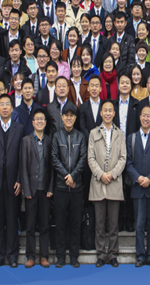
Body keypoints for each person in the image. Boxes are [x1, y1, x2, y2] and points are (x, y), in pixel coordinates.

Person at [0, 93, 24, 268]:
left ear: (12, 107)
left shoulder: (19, 128)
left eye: (7, 104)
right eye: (1, 104)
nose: (5, 107)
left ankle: (12, 256)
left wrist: (19, 179)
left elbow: (22, 157)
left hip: (13, 183)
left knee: (12, 220)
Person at [89, 99, 127, 268]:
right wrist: (100, 174)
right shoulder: (93, 133)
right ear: (101, 113)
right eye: (105, 110)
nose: (107, 113)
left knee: (113, 223)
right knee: (99, 224)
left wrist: (111, 174)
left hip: (114, 182)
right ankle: (100, 254)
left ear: (114, 113)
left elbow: (123, 158)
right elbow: (90, 158)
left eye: (110, 110)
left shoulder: (120, 134)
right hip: (98, 183)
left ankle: (112, 254)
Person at [126, 105, 150, 267]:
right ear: (140, 117)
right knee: (140, 224)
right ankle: (140, 255)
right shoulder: (131, 138)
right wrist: (138, 178)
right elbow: (128, 162)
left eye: (149, 116)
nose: (146, 118)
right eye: (144, 115)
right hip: (137, 187)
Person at [51, 105, 87, 268]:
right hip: (61, 187)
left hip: (76, 187)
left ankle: (74, 256)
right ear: (62, 117)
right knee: (60, 223)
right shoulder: (56, 136)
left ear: (75, 118)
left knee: (75, 223)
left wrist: (73, 176)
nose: (69, 118)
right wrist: (67, 176)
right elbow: (54, 158)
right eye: (66, 115)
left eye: (72, 115)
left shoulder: (80, 136)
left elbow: (83, 159)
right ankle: (60, 256)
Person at [19, 108, 54, 268]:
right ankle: (31, 256)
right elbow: (23, 167)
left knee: (45, 225)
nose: (39, 121)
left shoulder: (49, 141)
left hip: (45, 190)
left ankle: (44, 256)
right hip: (31, 191)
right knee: (30, 226)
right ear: (32, 122)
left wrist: (51, 188)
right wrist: (26, 190)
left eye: (42, 119)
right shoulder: (26, 141)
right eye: (37, 119)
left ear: (45, 123)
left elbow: (52, 167)